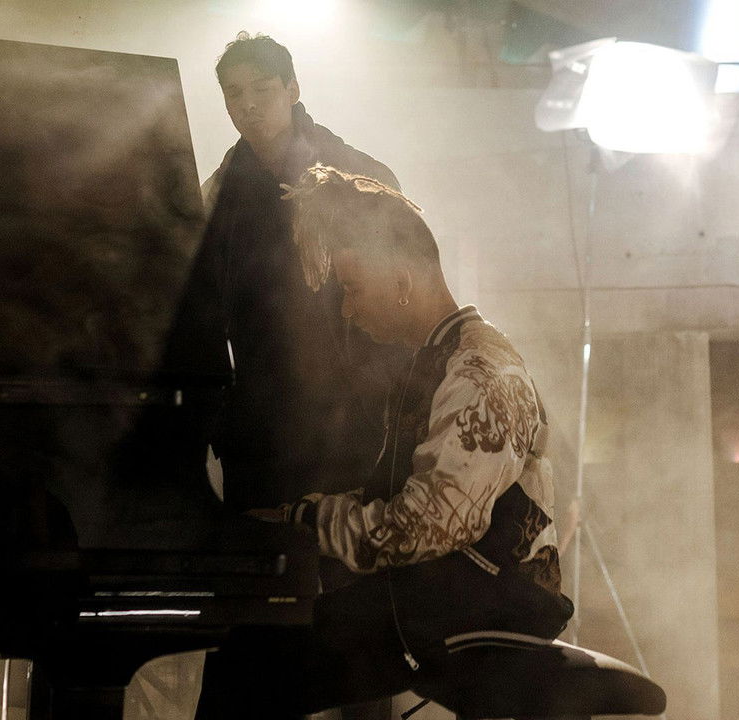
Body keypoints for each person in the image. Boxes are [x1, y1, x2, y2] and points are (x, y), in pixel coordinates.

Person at [193, 166, 575, 719]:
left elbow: (429, 525)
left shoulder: (480, 369)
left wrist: (306, 524)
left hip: (487, 609)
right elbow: (393, 499)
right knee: (257, 645)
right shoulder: (436, 361)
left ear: (401, 283)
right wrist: (291, 518)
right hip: (444, 596)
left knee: (253, 659)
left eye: (352, 290)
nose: (347, 310)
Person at [169, 32, 407, 518]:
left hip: (354, 416)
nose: (247, 105)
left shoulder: (359, 178)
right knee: (263, 551)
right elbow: (200, 311)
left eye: (261, 89)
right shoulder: (216, 198)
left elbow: (402, 296)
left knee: (348, 553)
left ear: (292, 89)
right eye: (233, 94)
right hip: (261, 424)